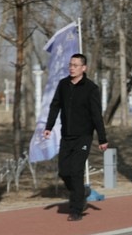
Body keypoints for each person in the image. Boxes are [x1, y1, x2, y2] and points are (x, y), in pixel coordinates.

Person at [43, 53, 109, 222]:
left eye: (75, 65)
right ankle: (82, 192)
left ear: (83, 68)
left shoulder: (91, 88)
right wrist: (49, 126)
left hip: (83, 136)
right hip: (66, 135)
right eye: (70, 65)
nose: (71, 68)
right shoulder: (63, 85)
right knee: (64, 171)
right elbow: (55, 105)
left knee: (76, 172)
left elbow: (96, 115)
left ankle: (76, 210)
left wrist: (102, 138)